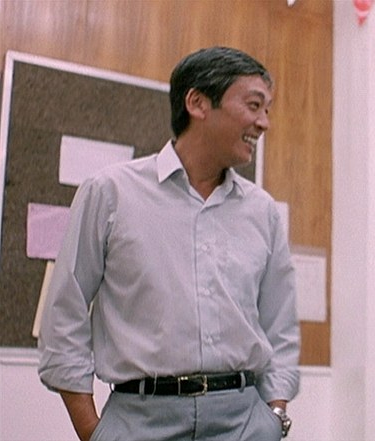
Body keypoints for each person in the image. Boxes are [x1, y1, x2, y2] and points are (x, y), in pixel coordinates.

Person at [38, 46, 299, 441]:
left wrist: (275, 415)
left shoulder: (262, 211)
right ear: (197, 102)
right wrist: (94, 432)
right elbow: (64, 314)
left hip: (246, 424)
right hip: (138, 422)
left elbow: (280, 325)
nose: (264, 122)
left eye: (267, 109)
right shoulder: (109, 193)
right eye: (253, 105)